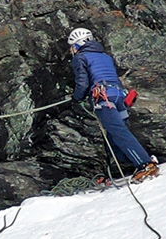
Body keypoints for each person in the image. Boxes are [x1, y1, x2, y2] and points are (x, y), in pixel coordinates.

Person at [68, 27, 158, 182]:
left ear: (78, 44)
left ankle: (145, 164)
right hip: (119, 97)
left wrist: (75, 98)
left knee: (118, 133)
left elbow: (83, 83)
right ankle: (142, 162)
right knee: (114, 140)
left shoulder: (80, 57)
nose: (71, 50)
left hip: (104, 100)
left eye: (72, 46)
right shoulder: (105, 56)